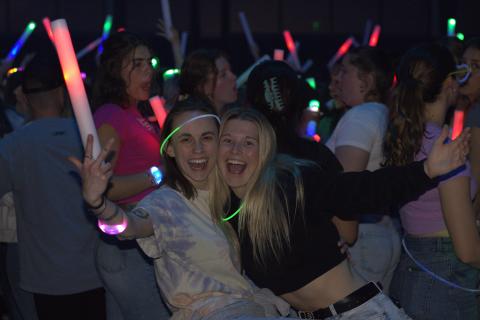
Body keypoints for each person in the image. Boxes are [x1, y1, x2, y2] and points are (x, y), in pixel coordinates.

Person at [210, 107, 469, 320]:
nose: (236, 151)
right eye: (228, 141)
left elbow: (359, 190)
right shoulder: (226, 212)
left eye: (248, 143)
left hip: (360, 313)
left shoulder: (292, 184)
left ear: (264, 151)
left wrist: (425, 171)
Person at [71, 95, 292, 319]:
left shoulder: (229, 191)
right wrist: (98, 203)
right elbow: (128, 227)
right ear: (170, 149)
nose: (198, 149)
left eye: (206, 138)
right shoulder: (166, 203)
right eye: (186, 139)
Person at [0, 51, 104, 319]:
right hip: (94, 273)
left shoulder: (13, 146)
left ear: (25, 96)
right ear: (62, 93)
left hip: (45, 279)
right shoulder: (89, 136)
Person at [384, 43, 480, 320]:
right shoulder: (444, 150)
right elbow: (467, 250)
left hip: (412, 270)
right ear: (450, 84)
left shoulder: (404, 137)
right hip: (442, 282)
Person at [91, 31, 169, 319]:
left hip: (136, 241)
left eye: (150, 62)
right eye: (137, 64)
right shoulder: (110, 116)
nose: (148, 71)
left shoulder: (135, 112)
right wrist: (160, 174)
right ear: (114, 70)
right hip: (128, 245)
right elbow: (105, 189)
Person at [326, 47, 400, 291]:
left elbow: (347, 187)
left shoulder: (360, 117)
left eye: (346, 71)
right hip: (381, 231)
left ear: (366, 81)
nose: (338, 78)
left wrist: (338, 236)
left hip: (361, 238)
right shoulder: (381, 114)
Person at [179, 49, 238, 115]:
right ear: (201, 86)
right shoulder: (195, 121)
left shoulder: (231, 116)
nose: (234, 77)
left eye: (231, 71)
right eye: (223, 75)